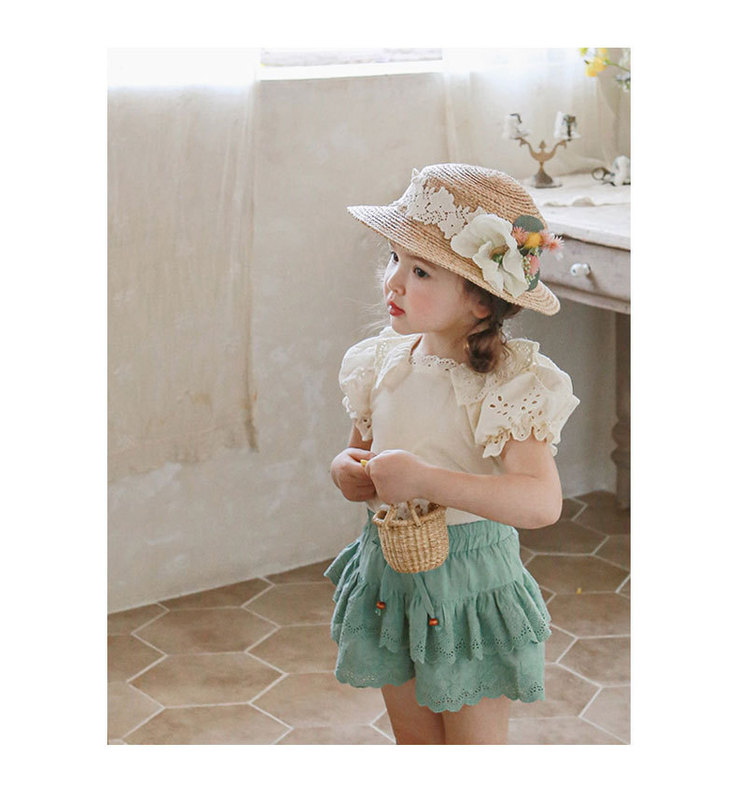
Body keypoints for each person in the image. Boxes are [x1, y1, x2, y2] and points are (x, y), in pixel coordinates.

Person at [326, 164, 580, 745]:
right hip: (391, 575)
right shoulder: (378, 362)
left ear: (480, 300)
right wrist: (348, 471)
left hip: (469, 587)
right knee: (416, 744)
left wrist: (425, 480)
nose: (393, 282)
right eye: (394, 258)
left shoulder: (509, 384)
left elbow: (540, 502)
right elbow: (359, 452)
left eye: (420, 271)